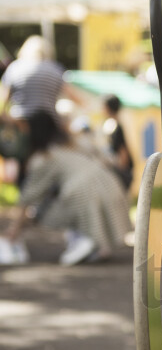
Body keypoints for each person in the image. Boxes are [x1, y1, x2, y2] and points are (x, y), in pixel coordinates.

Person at [4, 111, 130, 265]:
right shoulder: (73, 142)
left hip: (82, 189)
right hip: (109, 182)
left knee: (44, 210)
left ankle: (85, 238)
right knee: (83, 205)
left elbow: (30, 196)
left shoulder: (45, 157)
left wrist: (14, 229)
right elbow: (105, 158)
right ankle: (98, 245)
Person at [102, 95, 134, 191]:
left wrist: (119, 173)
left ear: (108, 108)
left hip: (123, 169)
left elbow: (122, 151)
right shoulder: (114, 124)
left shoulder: (114, 126)